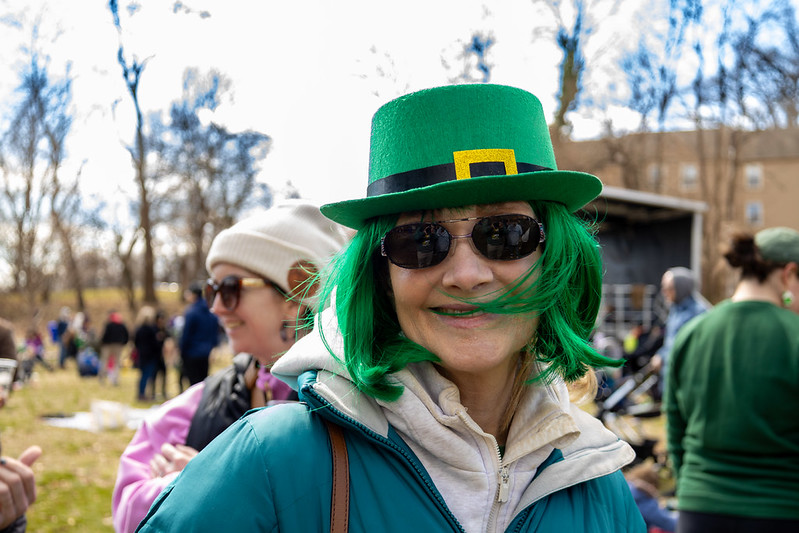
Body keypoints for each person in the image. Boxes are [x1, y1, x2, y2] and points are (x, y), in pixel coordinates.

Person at [136, 84, 645, 532]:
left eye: (505, 234)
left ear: (553, 257)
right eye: (420, 240)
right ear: (381, 277)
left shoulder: (599, 488)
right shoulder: (272, 464)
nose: (466, 275)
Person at [112, 200, 348, 533]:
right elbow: (128, 506)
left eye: (231, 288)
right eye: (212, 290)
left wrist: (209, 486)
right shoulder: (198, 405)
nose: (217, 308)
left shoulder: (357, 409)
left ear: (299, 290)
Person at [664, 227, 799, 532]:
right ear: (788, 274)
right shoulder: (794, 336)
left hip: (698, 509)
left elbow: (675, 427)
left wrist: (693, 488)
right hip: (783, 510)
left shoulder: (692, 333)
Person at [650, 267, 708, 399]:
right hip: (670, 378)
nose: (664, 292)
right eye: (663, 287)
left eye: (669, 288)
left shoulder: (699, 313)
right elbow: (672, 343)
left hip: (688, 384)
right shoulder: (675, 309)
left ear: (681, 288)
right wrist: (661, 355)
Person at [178, 283, 219, 386]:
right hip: (206, 352)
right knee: (203, 382)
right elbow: (215, 329)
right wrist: (213, 346)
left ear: (194, 295)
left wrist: (182, 351)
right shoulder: (209, 311)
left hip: (191, 353)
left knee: (193, 383)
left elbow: (186, 334)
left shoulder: (191, 312)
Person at [133, 307, 167, 402]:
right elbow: (154, 344)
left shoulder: (138, 329)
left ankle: (141, 393)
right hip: (150, 356)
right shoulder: (151, 330)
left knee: (143, 375)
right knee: (147, 376)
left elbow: (135, 342)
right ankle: (143, 394)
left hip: (142, 355)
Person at [99, 311, 130, 386]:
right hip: (118, 346)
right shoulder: (122, 325)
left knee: (105, 362)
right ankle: (115, 380)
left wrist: (102, 343)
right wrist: (123, 343)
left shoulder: (109, 325)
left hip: (107, 345)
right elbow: (127, 335)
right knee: (116, 363)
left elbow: (104, 335)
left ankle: (102, 379)